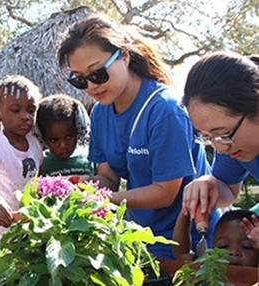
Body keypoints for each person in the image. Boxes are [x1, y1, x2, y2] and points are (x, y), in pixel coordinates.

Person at [57, 13, 218, 259]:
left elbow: (165, 192)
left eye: (97, 74)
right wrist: (83, 186)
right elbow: (109, 175)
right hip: (141, 240)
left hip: (188, 243)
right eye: (79, 80)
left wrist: (104, 201)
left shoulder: (164, 109)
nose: (91, 86)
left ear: (124, 55)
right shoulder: (100, 112)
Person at [181, 52, 259, 223]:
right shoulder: (231, 145)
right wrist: (210, 185)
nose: (220, 148)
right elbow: (229, 191)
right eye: (208, 137)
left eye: (223, 134)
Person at [0, 75, 43, 241]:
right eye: (16, 110)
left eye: (31, 110)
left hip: (26, 224)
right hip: (0, 223)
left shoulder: (35, 144)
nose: (25, 116)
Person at [35, 94, 95, 181]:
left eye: (68, 137)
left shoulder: (90, 157)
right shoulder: (40, 163)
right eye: (54, 140)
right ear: (43, 137)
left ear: (77, 130)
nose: (63, 145)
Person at [173, 209, 258, 267]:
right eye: (223, 246)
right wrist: (186, 211)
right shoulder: (209, 267)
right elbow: (181, 254)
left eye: (247, 246)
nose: (233, 252)